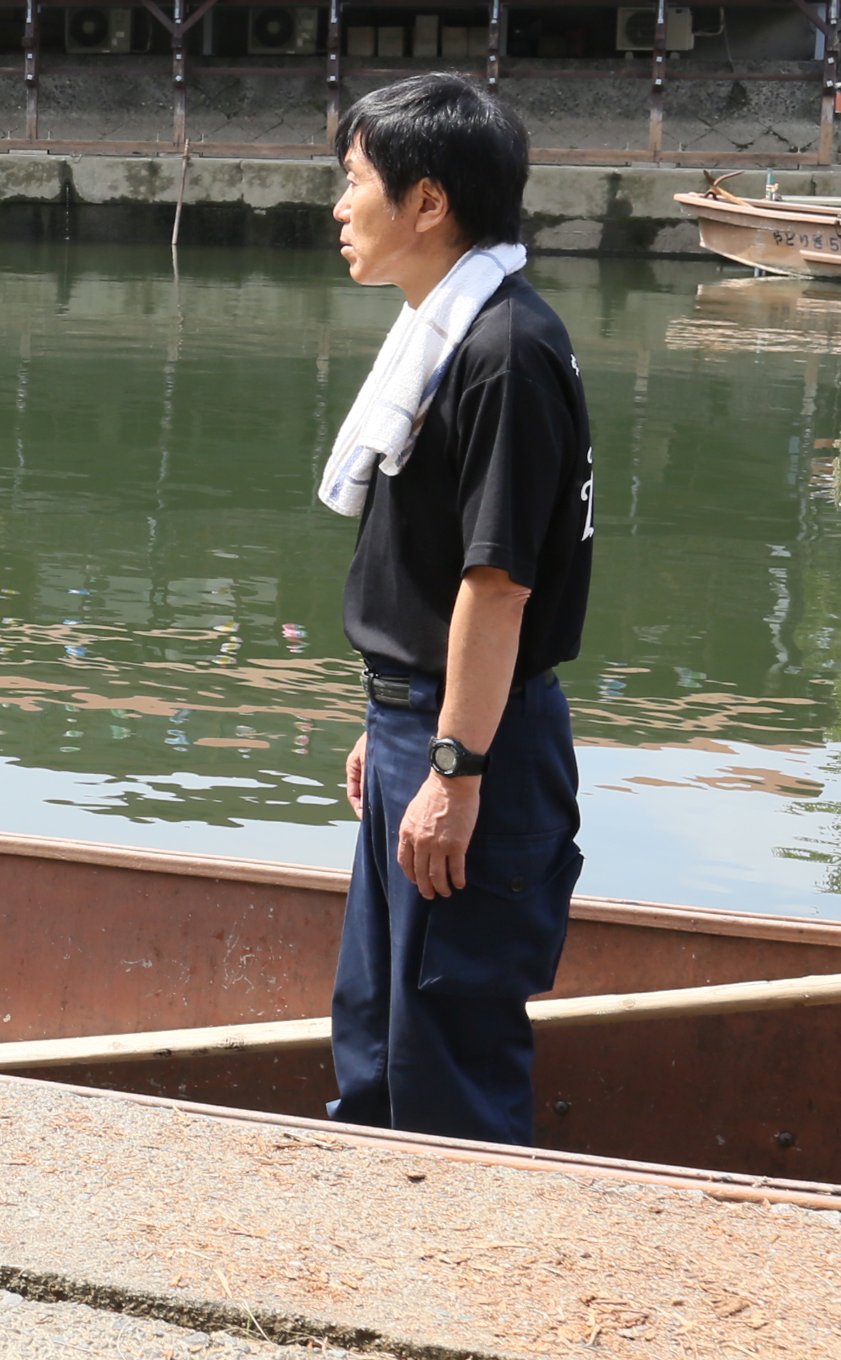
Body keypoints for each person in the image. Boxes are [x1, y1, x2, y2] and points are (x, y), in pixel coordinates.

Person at [317, 73, 592, 1145]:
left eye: (355, 184)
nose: (342, 208)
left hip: (472, 748)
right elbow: (433, 571)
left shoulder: (504, 352)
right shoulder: (446, 338)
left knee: (449, 1051)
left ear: (427, 203)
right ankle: (367, 1285)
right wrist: (389, 718)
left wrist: (454, 768)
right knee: (378, 1042)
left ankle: (460, 1299)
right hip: (421, 727)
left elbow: (498, 584)